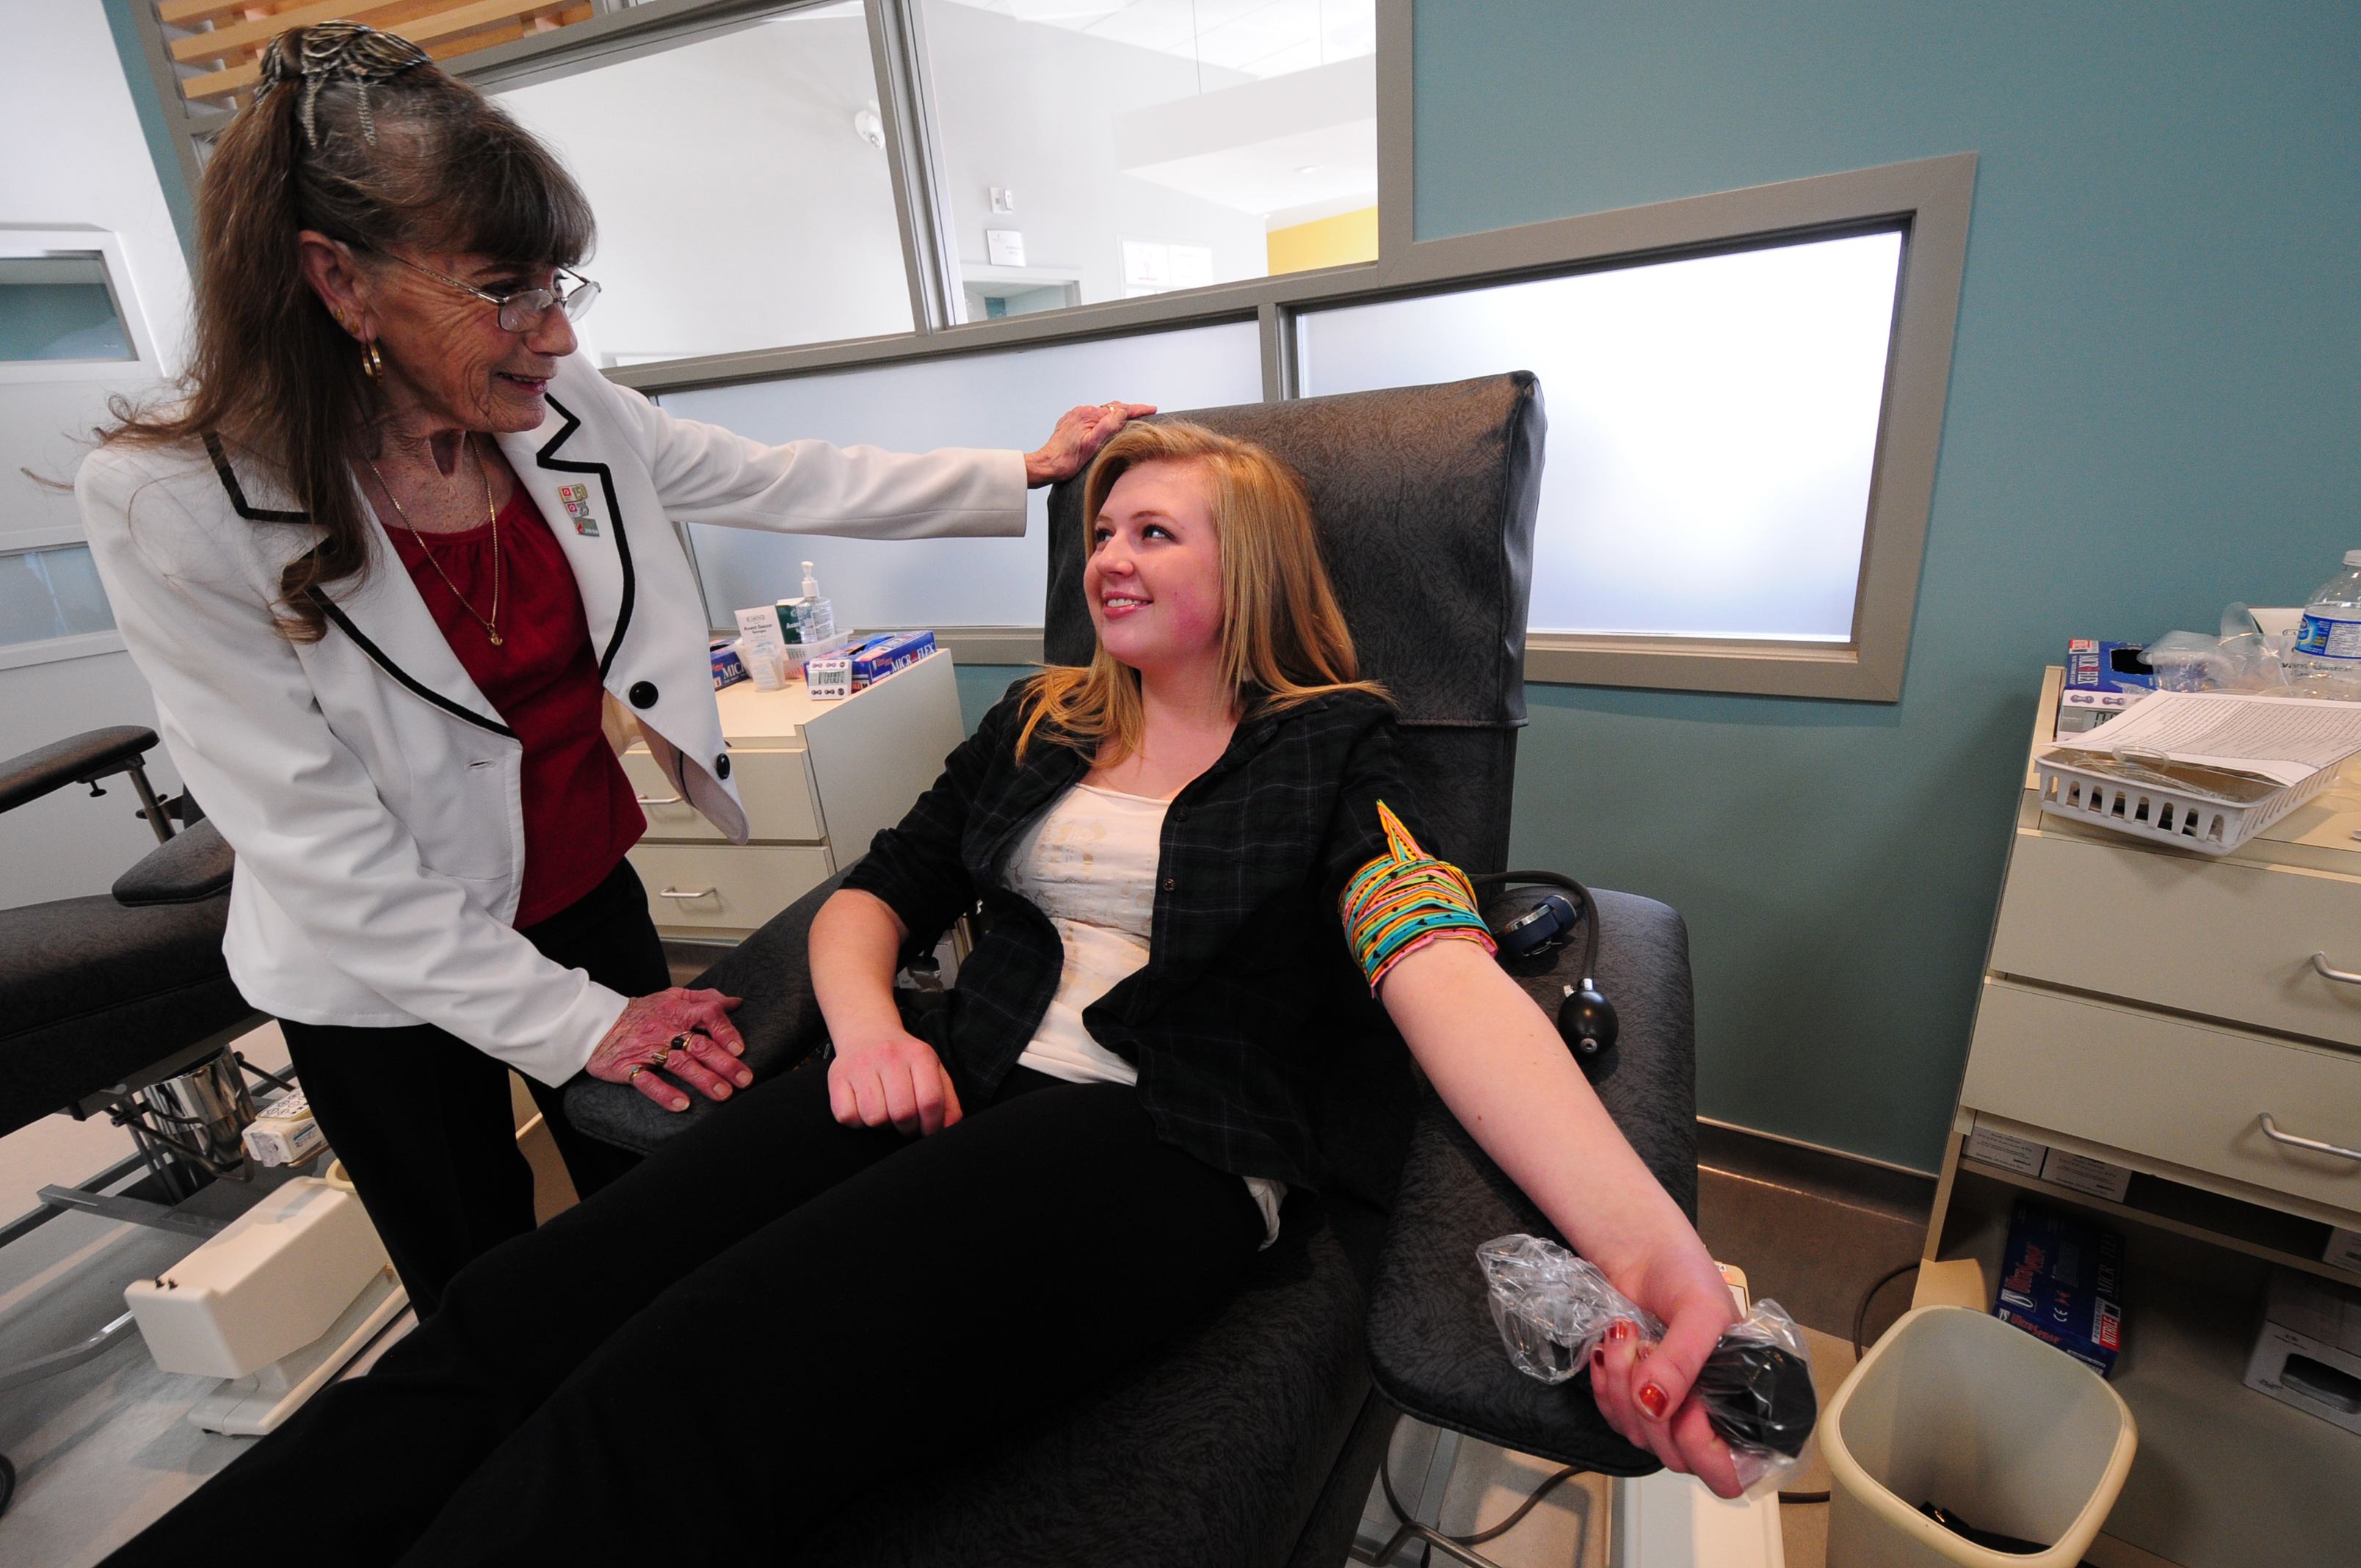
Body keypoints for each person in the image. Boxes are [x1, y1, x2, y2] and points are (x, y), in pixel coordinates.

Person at [104, 418, 1742, 1566]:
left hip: (1153, 1145)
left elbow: (1437, 970)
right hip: (938, 1083)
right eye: (1099, 527)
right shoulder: (1040, 722)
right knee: (516, 1311)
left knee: (687, 1381)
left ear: (1246, 571)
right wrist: (876, 1032)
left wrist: (1653, 1257)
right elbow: (875, 897)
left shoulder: (1333, 745)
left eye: (1153, 529)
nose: (1107, 553)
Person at [76, 21, 1150, 1317]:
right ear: (339, 280)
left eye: (557, 285)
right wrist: (584, 1027)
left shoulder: (561, 408)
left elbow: (767, 474)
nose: (550, 333)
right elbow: (315, 845)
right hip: (380, 963)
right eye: (503, 290)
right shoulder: (172, 503)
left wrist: (1015, 473)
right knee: (481, 1279)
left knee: (657, 1211)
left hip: (583, 882)